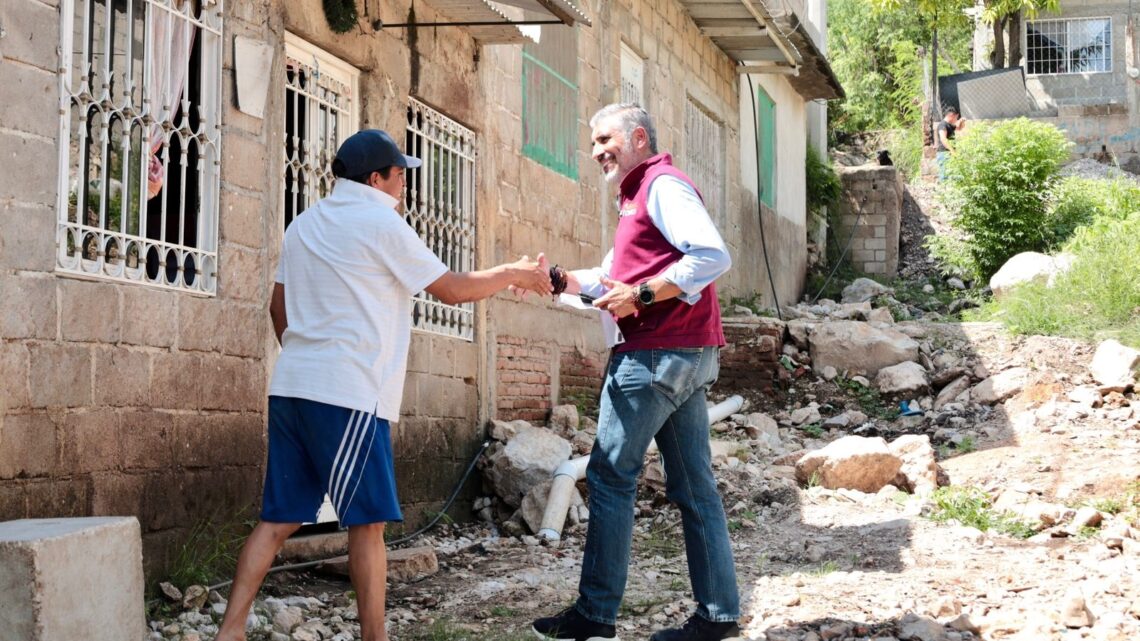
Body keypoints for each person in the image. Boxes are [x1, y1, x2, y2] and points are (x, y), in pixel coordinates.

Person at [214, 129, 552, 641]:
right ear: (375, 179)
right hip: (347, 394)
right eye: (399, 175)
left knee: (279, 518)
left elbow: (277, 308)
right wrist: (511, 273)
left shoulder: (304, 223)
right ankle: (375, 638)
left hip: (292, 387)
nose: (403, 187)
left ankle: (230, 630)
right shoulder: (380, 221)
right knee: (366, 522)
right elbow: (452, 291)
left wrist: (309, 358)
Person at [531, 104, 739, 641]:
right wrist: (554, 280)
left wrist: (644, 293)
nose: (596, 150)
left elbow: (712, 256)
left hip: (654, 356)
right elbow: (608, 279)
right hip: (685, 357)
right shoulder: (636, 198)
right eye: (593, 142)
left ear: (638, 138)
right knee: (695, 488)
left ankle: (595, 617)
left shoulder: (662, 186)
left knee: (608, 476)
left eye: (606, 139)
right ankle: (717, 617)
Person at [935, 106, 962, 181]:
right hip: (944, 153)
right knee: (944, 176)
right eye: (956, 117)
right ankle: (943, 191)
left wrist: (961, 121)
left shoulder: (949, 125)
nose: (956, 120)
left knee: (952, 174)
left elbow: (959, 128)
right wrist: (952, 151)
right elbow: (943, 139)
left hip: (949, 152)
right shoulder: (942, 125)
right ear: (951, 115)